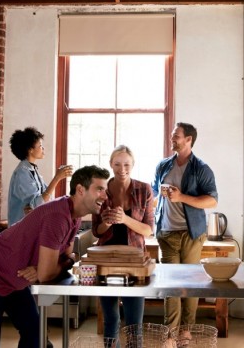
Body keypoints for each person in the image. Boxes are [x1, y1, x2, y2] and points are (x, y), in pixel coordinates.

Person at [0, 165, 110, 348]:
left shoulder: (74, 215)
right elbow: (46, 274)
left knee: (37, 337)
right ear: (80, 190)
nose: (105, 196)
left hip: (15, 279)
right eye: (99, 189)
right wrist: (54, 265)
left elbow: (65, 257)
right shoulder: (58, 216)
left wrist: (65, 261)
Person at [151, 122, 218, 329]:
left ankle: (186, 331)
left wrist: (181, 197)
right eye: (172, 135)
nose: (172, 138)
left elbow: (212, 200)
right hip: (166, 233)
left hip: (191, 234)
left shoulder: (202, 168)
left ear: (188, 140)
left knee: (191, 284)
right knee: (170, 285)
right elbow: (153, 194)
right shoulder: (163, 166)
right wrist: (158, 196)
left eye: (176, 136)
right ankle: (170, 334)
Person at [92, 145, 154, 341]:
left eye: (126, 164)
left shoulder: (144, 189)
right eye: (117, 164)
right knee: (111, 320)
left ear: (133, 165)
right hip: (106, 262)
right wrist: (107, 222)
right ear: (111, 164)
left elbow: (149, 230)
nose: (122, 169)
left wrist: (125, 219)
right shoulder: (100, 191)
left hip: (134, 263)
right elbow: (96, 231)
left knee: (134, 324)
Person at [8, 126, 73, 225]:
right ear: (30, 150)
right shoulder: (22, 173)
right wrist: (57, 178)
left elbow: (47, 198)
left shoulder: (32, 169)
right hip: (21, 230)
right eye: (40, 146)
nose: (43, 148)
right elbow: (36, 204)